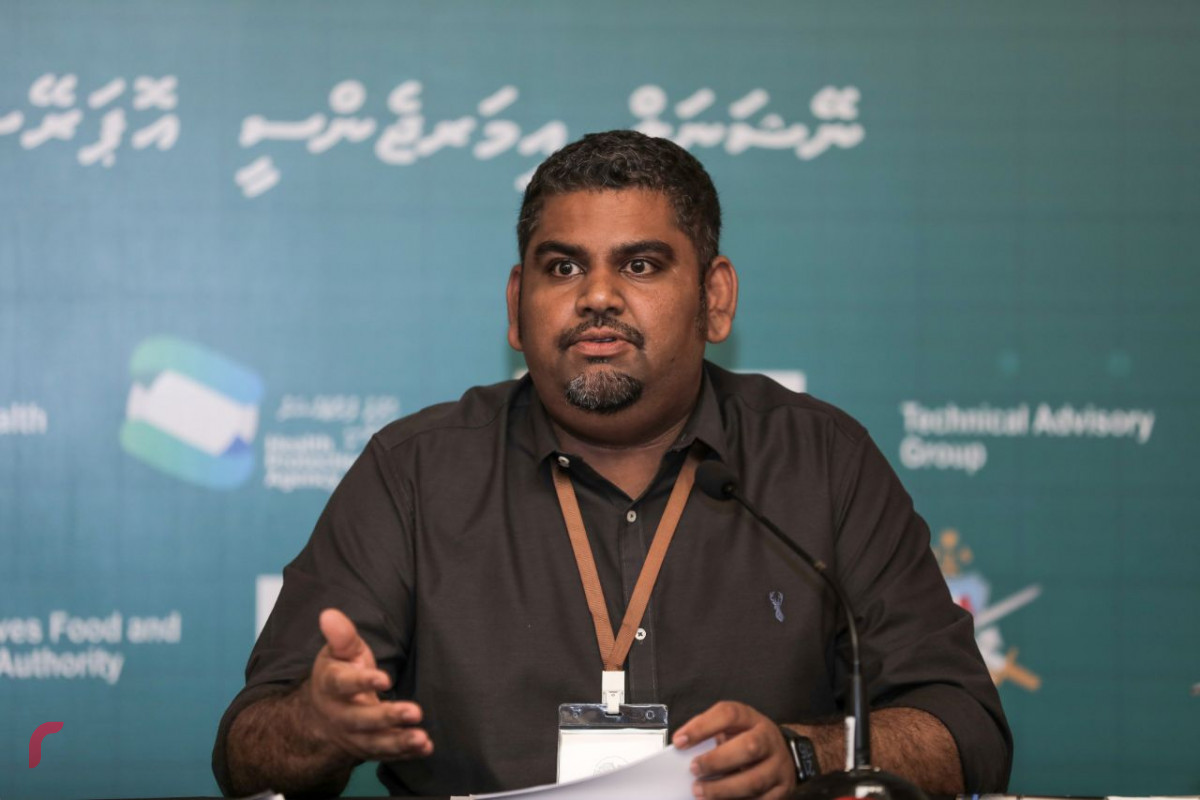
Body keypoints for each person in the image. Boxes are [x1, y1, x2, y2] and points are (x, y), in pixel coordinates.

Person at [213, 130, 1011, 799]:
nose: (597, 296)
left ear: (715, 299)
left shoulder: (821, 462)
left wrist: (804, 755)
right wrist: (317, 725)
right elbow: (245, 753)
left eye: (640, 265)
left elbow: (965, 729)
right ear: (517, 306)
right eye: (563, 268)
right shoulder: (415, 474)